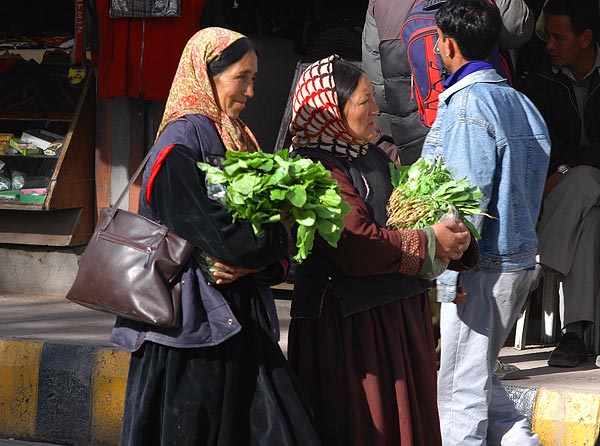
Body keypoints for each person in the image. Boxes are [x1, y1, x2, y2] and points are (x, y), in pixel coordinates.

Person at [109, 27, 321, 446]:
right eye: (241, 77)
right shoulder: (179, 147)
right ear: (206, 74)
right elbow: (228, 241)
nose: (251, 91)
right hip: (189, 336)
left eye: (254, 78)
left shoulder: (237, 137)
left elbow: (259, 245)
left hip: (236, 323)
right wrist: (273, 241)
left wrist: (266, 254)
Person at [286, 55, 476, 446]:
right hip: (349, 330)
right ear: (331, 110)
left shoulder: (372, 155)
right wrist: (429, 242)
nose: (376, 111)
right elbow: (356, 243)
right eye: (364, 101)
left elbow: (412, 214)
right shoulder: (315, 169)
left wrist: (458, 242)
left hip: (392, 318)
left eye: (374, 99)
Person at [420, 0, 551, 444]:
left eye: (438, 40)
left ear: (450, 45)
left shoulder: (469, 106)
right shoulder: (520, 103)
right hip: (515, 263)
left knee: (460, 396)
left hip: (479, 268)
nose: (436, 48)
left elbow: (463, 203)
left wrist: (445, 276)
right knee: (482, 386)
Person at [521, 0, 600, 368]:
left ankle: (535, 271)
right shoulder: (542, 80)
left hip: (569, 184)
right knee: (591, 221)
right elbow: (542, 147)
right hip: (574, 196)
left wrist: (567, 169)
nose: (548, 44)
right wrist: (567, 169)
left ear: (585, 39)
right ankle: (576, 334)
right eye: (546, 36)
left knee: (582, 177)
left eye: (557, 37)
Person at [361, 0, 534, 166]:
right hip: (489, 116)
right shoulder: (525, 109)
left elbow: (378, 88)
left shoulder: (383, 3)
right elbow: (517, 30)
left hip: (417, 129)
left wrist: (391, 146)